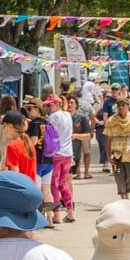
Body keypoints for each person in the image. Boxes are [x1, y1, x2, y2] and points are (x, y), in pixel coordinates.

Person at [104, 98, 130, 201]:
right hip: (116, 155)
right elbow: (108, 139)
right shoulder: (111, 121)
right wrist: (108, 156)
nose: (121, 107)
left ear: (128, 106)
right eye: (119, 105)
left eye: (123, 105)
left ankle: (127, 197)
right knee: (119, 177)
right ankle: (124, 199)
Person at [46, 96, 74, 224]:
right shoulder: (68, 115)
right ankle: (70, 211)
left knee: (54, 184)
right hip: (67, 154)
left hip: (56, 154)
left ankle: (56, 214)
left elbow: (51, 135)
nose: (48, 108)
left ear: (57, 104)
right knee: (63, 183)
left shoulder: (54, 117)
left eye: (50, 105)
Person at [70, 95, 93, 181]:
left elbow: (87, 134)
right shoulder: (65, 116)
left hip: (82, 135)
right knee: (76, 154)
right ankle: (78, 173)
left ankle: (86, 172)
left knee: (86, 153)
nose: (69, 105)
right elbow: (93, 116)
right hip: (72, 140)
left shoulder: (82, 117)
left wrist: (76, 135)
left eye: (72, 103)